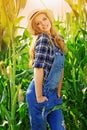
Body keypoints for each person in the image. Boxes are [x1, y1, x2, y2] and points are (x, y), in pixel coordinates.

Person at [26, 9, 66, 130]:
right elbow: (38, 68)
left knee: (60, 128)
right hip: (39, 93)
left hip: (53, 95)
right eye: (38, 23)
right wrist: (39, 97)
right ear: (35, 28)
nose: (43, 24)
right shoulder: (43, 39)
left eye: (44, 19)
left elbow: (61, 68)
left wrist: (58, 91)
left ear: (49, 19)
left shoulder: (58, 40)